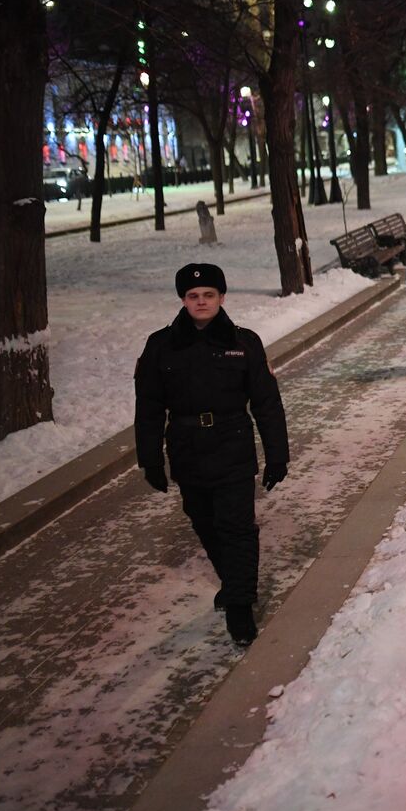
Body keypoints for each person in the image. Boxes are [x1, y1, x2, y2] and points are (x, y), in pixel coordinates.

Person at [135, 263, 290, 647]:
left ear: (221, 298)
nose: (201, 302)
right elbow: (149, 407)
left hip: (233, 443)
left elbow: (267, 403)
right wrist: (150, 459)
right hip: (187, 448)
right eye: (193, 296)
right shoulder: (161, 345)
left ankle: (240, 605)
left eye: (208, 295)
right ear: (183, 300)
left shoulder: (244, 342)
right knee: (203, 521)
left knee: (237, 526)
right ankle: (234, 581)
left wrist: (277, 455)